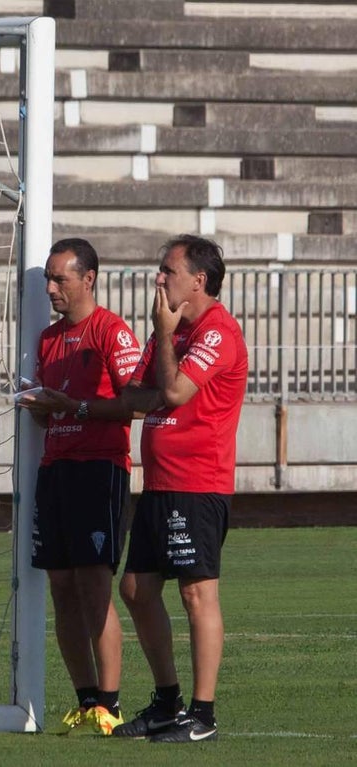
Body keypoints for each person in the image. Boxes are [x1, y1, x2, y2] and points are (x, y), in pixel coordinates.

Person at [113, 234, 247, 743]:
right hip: (161, 482)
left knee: (196, 593)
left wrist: (163, 339)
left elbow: (170, 391)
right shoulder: (171, 332)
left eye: (168, 271)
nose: (158, 279)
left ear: (199, 280)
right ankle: (167, 701)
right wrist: (164, 347)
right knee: (136, 589)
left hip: (198, 483)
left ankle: (204, 714)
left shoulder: (217, 332)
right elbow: (134, 396)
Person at [17, 238, 142, 736]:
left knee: (95, 588)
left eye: (59, 279)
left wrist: (75, 407)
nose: (50, 288)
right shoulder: (48, 341)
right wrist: (45, 406)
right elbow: (56, 415)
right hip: (56, 471)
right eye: (47, 278)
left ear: (88, 278)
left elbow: (136, 402)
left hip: (99, 470)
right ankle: (86, 700)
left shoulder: (112, 332)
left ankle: (109, 705)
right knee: (62, 588)